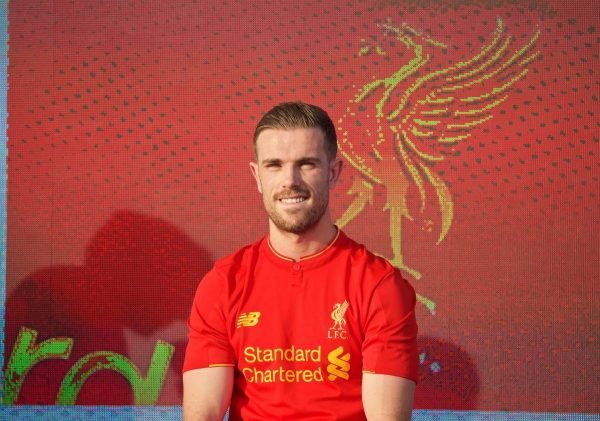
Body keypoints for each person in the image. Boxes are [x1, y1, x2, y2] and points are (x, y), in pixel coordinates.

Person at [183, 102, 418, 420]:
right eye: (274, 165)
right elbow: (204, 413)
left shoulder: (378, 284)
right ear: (257, 175)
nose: (290, 180)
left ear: (333, 173)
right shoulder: (223, 284)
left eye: (306, 164)